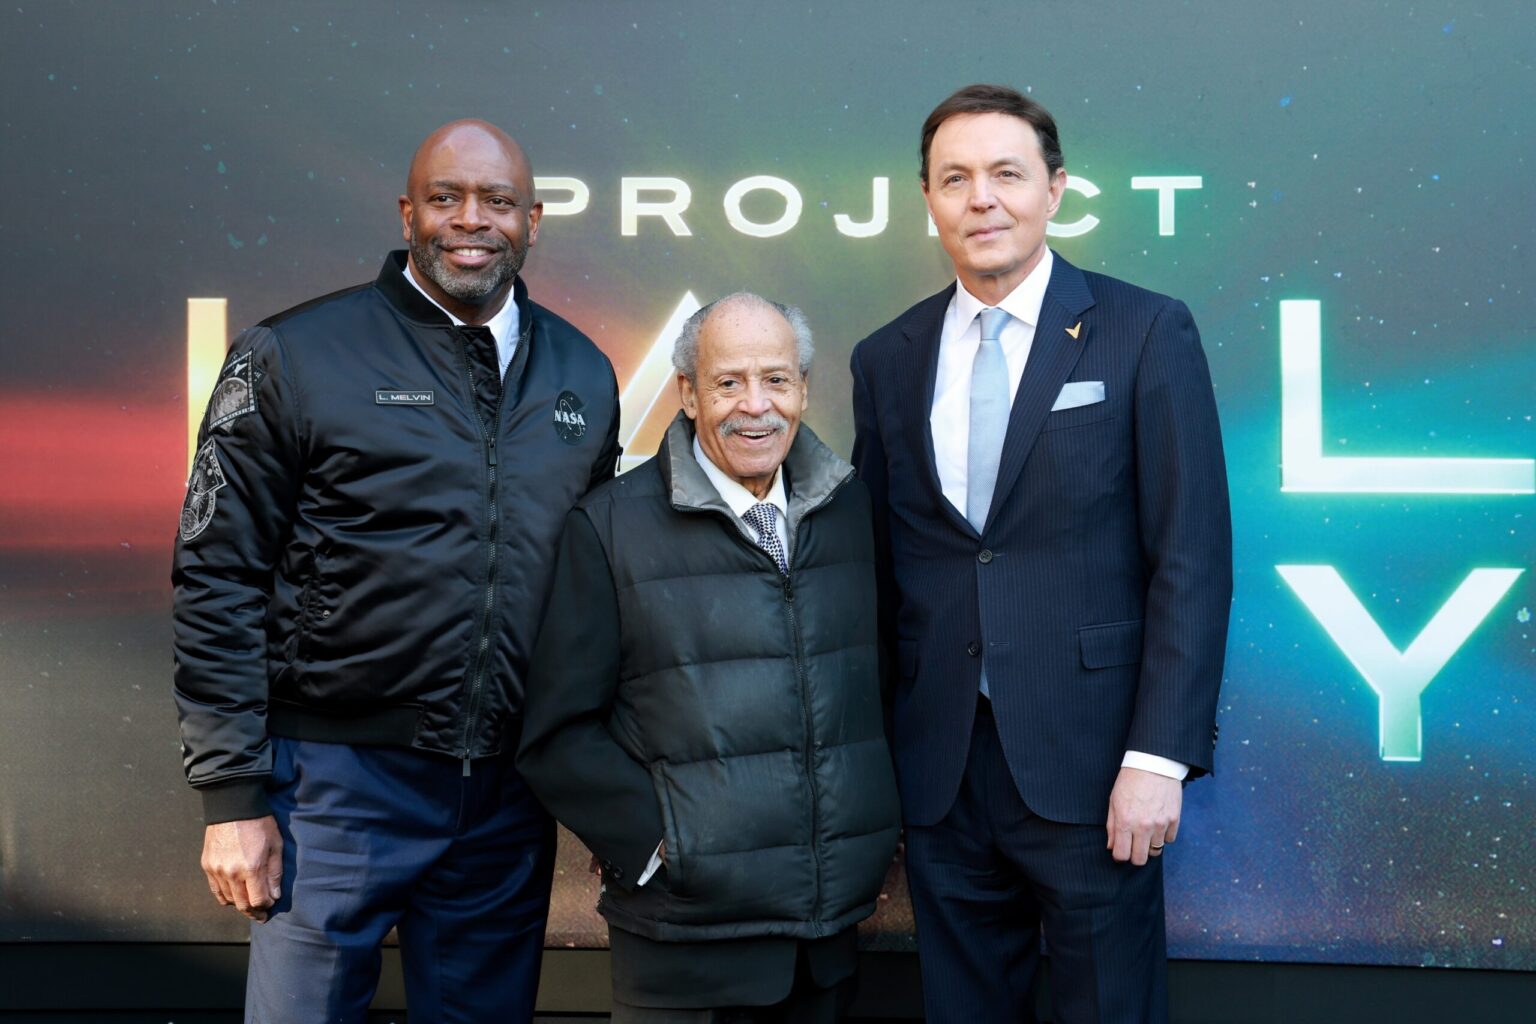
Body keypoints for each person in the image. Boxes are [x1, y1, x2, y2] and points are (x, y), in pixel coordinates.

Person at [172, 119, 620, 1023]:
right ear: (408, 212)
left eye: (497, 201)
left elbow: (601, 597)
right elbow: (216, 575)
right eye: (446, 197)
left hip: (506, 799)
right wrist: (232, 796)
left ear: (533, 221)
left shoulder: (582, 371)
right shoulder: (295, 352)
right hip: (332, 791)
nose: (471, 220)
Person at [849, 84, 1232, 1023]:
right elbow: (881, 572)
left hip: (1096, 768)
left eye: (1006, 174)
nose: (981, 198)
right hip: (941, 774)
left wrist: (1159, 758)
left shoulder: (1146, 330)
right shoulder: (886, 357)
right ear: (928, 200)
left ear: (1055, 190)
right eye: (955, 179)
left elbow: (1192, 556)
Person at [517, 293, 902, 1024]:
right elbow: (557, 735)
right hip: (684, 950)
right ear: (689, 395)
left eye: (776, 380)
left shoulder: (850, 511)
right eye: (729, 383)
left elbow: (876, 684)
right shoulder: (609, 527)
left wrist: (872, 831)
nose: (756, 405)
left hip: (824, 943)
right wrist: (664, 845)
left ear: (803, 389)